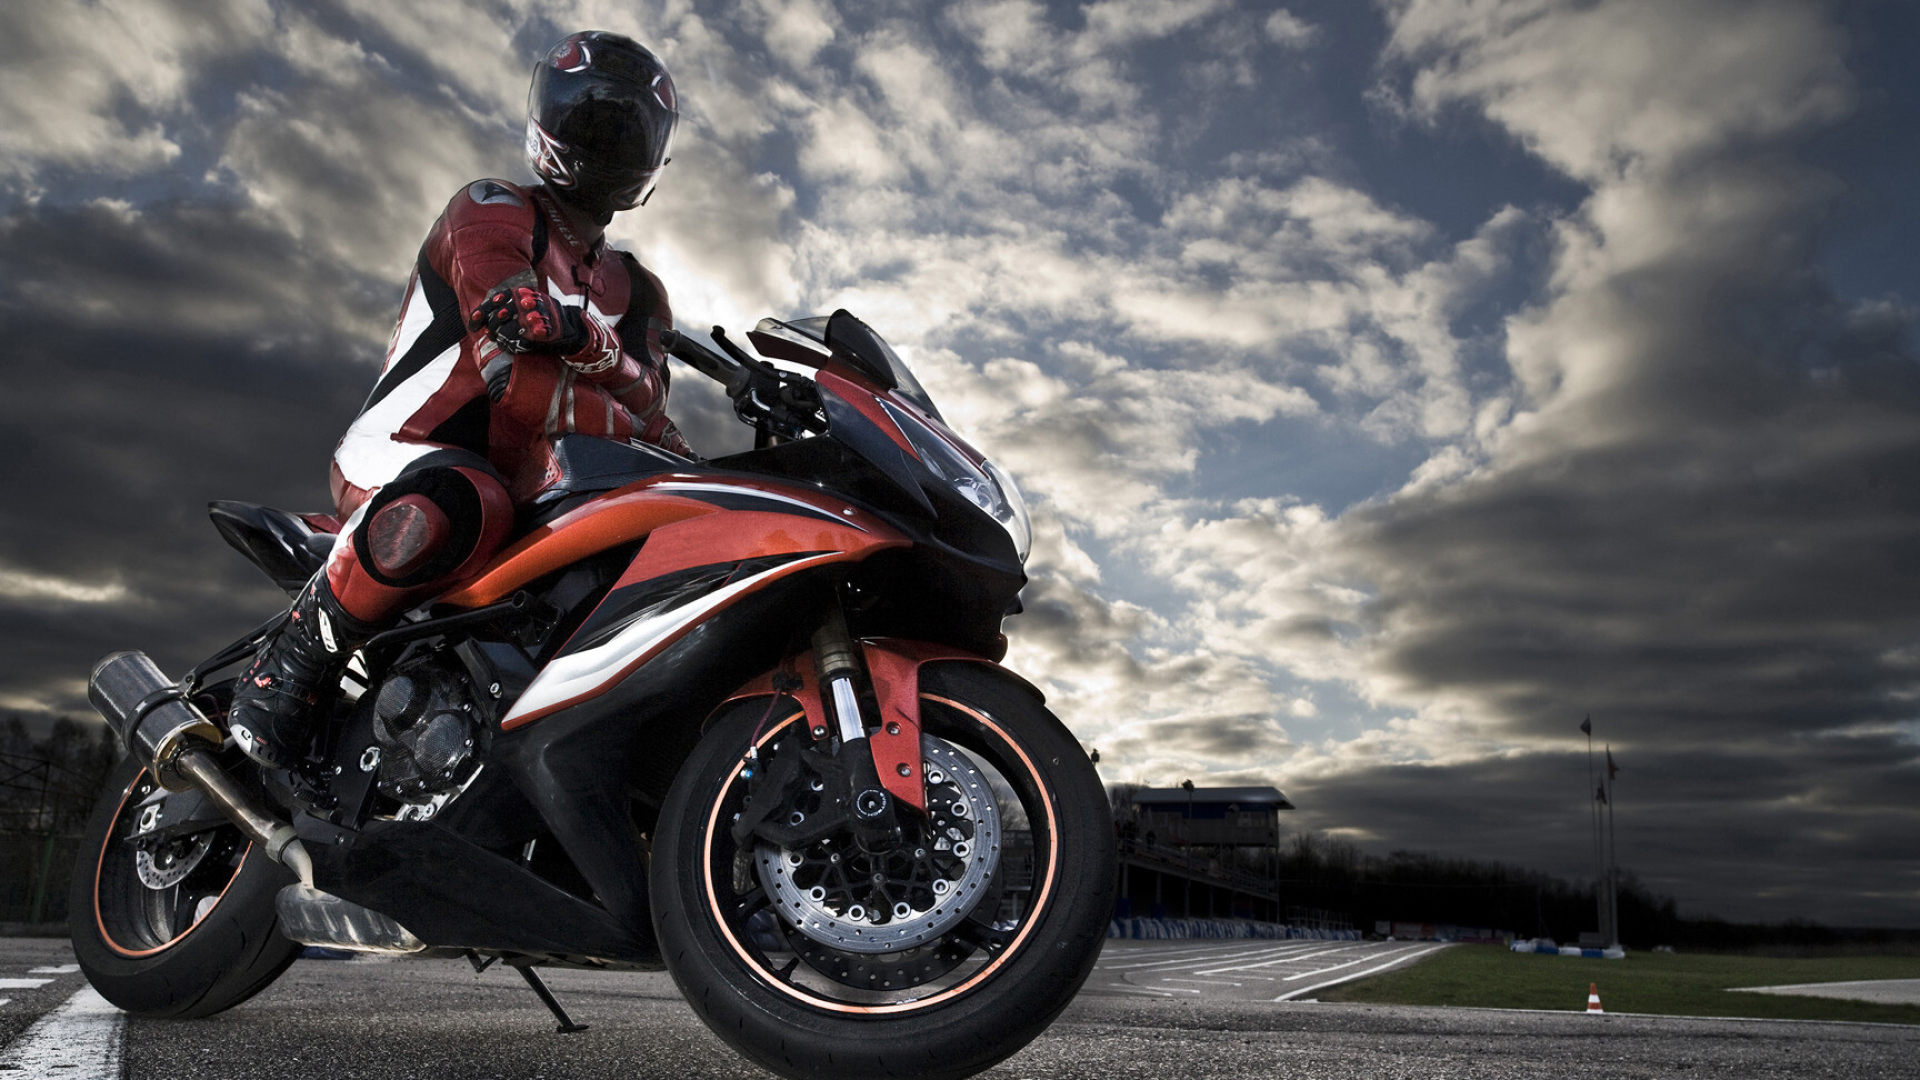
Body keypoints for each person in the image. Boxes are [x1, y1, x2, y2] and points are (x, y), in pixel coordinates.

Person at [227, 31, 692, 770]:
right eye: (590, 123)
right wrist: (616, 384)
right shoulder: (491, 212)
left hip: (543, 484)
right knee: (465, 497)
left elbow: (657, 428)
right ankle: (285, 668)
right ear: (550, 120)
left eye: (623, 130)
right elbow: (521, 390)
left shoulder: (641, 293)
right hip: (415, 450)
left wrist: (588, 349)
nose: (603, 143)